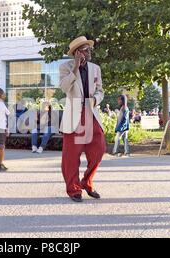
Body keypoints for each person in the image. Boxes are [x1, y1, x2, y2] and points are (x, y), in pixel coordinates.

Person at [59, 36, 106, 203]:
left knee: (99, 149)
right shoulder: (65, 67)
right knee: (71, 156)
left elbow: (100, 90)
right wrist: (76, 68)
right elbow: (64, 87)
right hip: (74, 116)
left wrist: (95, 100)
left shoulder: (96, 69)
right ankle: (74, 189)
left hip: (91, 112)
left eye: (89, 49)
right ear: (77, 52)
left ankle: (86, 182)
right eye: (86, 50)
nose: (89, 52)